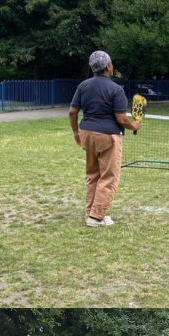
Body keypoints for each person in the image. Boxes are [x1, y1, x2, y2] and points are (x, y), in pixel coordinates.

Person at [68, 51, 142, 227]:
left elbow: (72, 112)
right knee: (109, 177)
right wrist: (134, 125)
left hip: (87, 134)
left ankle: (92, 213)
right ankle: (96, 217)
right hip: (108, 136)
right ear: (108, 67)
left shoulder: (83, 86)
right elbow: (121, 119)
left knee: (92, 175)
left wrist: (76, 134)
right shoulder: (116, 89)